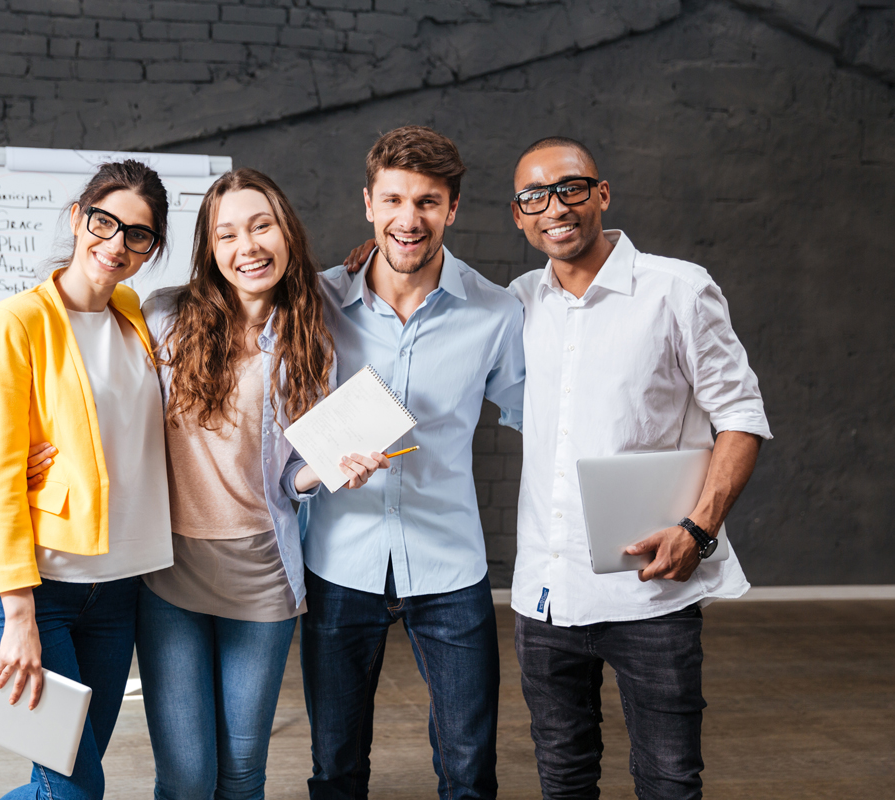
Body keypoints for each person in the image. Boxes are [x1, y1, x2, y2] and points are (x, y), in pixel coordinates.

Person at [507, 136, 771, 799]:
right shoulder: (515, 304)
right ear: (519, 215)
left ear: (601, 194)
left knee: (669, 780)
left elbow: (741, 415)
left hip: (652, 589)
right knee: (563, 779)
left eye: (570, 188)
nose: (554, 207)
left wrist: (699, 529)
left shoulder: (677, 289)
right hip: (545, 593)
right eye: (534, 196)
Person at [136, 168, 389, 800]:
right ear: (211, 250)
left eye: (260, 226)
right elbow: (109, 406)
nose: (246, 246)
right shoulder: (163, 317)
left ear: (285, 233)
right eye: (227, 235)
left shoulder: (310, 338)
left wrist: (334, 469)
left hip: (262, 576)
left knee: (243, 772)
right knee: (187, 778)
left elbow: (291, 473)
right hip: (168, 571)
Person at [293, 126, 526, 800]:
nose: (408, 218)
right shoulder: (316, 301)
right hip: (340, 559)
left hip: (449, 563)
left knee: (469, 771)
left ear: (452, 209)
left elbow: (538, 421)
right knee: (335, 769)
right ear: (369, 202)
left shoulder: (496, 312)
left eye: (427, 202)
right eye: (393, 199)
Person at [0, 160, 174, 800]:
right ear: (77, 218)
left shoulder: (133, 313)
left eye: (137, 235)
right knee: (77, 788)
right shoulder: (18, 322)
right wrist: (19, 614)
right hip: (42, 590)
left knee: (58, 782)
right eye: (103, 222)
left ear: (151, 250)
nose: (115, 245)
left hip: (117, 594)